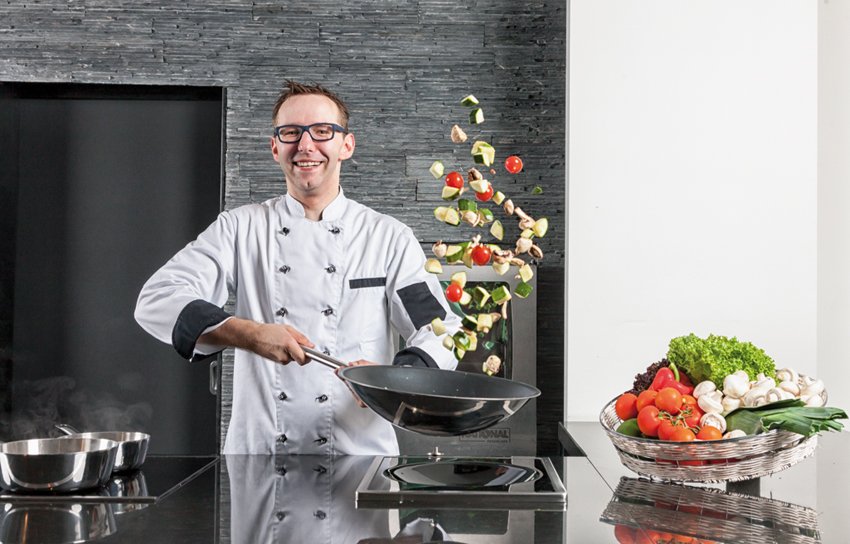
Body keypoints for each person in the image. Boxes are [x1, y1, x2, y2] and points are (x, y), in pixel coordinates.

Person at [134, 81, 460, 455]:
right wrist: (250, 333)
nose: (305, 145)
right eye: (291, 132)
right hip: (261, 459)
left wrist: (396, 379)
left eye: (322, 131)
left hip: (361, 456)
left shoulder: (387, 237)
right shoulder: (240, 228)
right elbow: (157, 299)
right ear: (275, 147)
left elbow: (439, 328)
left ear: (346, 145)